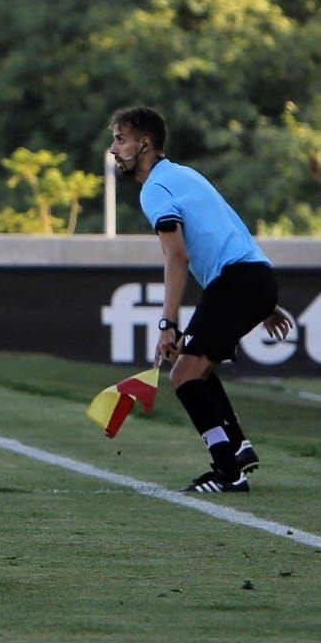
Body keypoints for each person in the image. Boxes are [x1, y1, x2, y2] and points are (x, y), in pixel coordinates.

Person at [108, 106, 294, 493]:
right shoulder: (184, 175)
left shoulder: (155, 189)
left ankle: (229, 472)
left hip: (238, 282)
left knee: (183, 375)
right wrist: (264, 302)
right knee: (196, 368)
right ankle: (238, 447)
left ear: (144, 144)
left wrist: (168, 324)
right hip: (253, 277)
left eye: (120, 139)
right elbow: (230, 228)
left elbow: (177, 256)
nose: (114, 148)